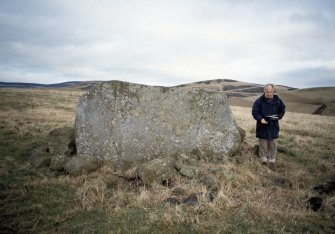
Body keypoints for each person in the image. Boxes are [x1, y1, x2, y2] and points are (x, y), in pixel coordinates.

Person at [252, 84, 285, 170]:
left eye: (271, 91)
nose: (269, 93)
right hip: (262, 126)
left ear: (273, 91)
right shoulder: (259, 101)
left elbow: (282, 110)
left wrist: (278, 116)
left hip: (273, 125)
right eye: (267, 91)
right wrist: (260, 119)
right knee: (263, 144)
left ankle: (272, 162)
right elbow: (255, 112)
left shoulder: (278, 101)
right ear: (264, 91)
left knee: (273, 144)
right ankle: (263, 161)